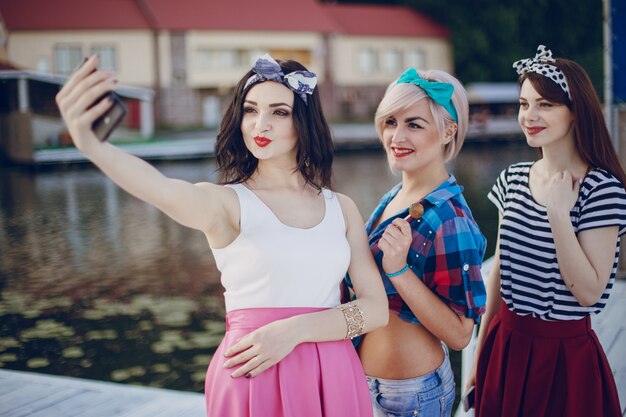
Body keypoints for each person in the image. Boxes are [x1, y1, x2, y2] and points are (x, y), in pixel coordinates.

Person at [56, 53, 389, 417]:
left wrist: (294, 331)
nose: (260, 124)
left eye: (279, 112)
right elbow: (160, 188)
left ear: (303, 123)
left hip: (334, 374)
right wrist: (93, 147)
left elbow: (375, 309)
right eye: (250, 110)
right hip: (256, 372)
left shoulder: (342, 207)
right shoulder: (226, 203)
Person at [465, 45, 625, 416]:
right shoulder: (514, 179)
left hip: (564, 357)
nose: (529, 116)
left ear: (574, 112)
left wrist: (558, 213)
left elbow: (588, 292)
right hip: (505, 342)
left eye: (545, 105)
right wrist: (478, 351)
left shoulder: (602, 189)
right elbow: (499, 275)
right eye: (524, 104)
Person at [345, 67, 487, 417]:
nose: (396, 136)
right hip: (360, 381)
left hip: (411, 396)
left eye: (414, 124)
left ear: (448, 131)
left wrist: (400, 271)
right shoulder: (394, 196)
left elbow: (459, 335)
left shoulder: (451, 219)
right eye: (391, 122)